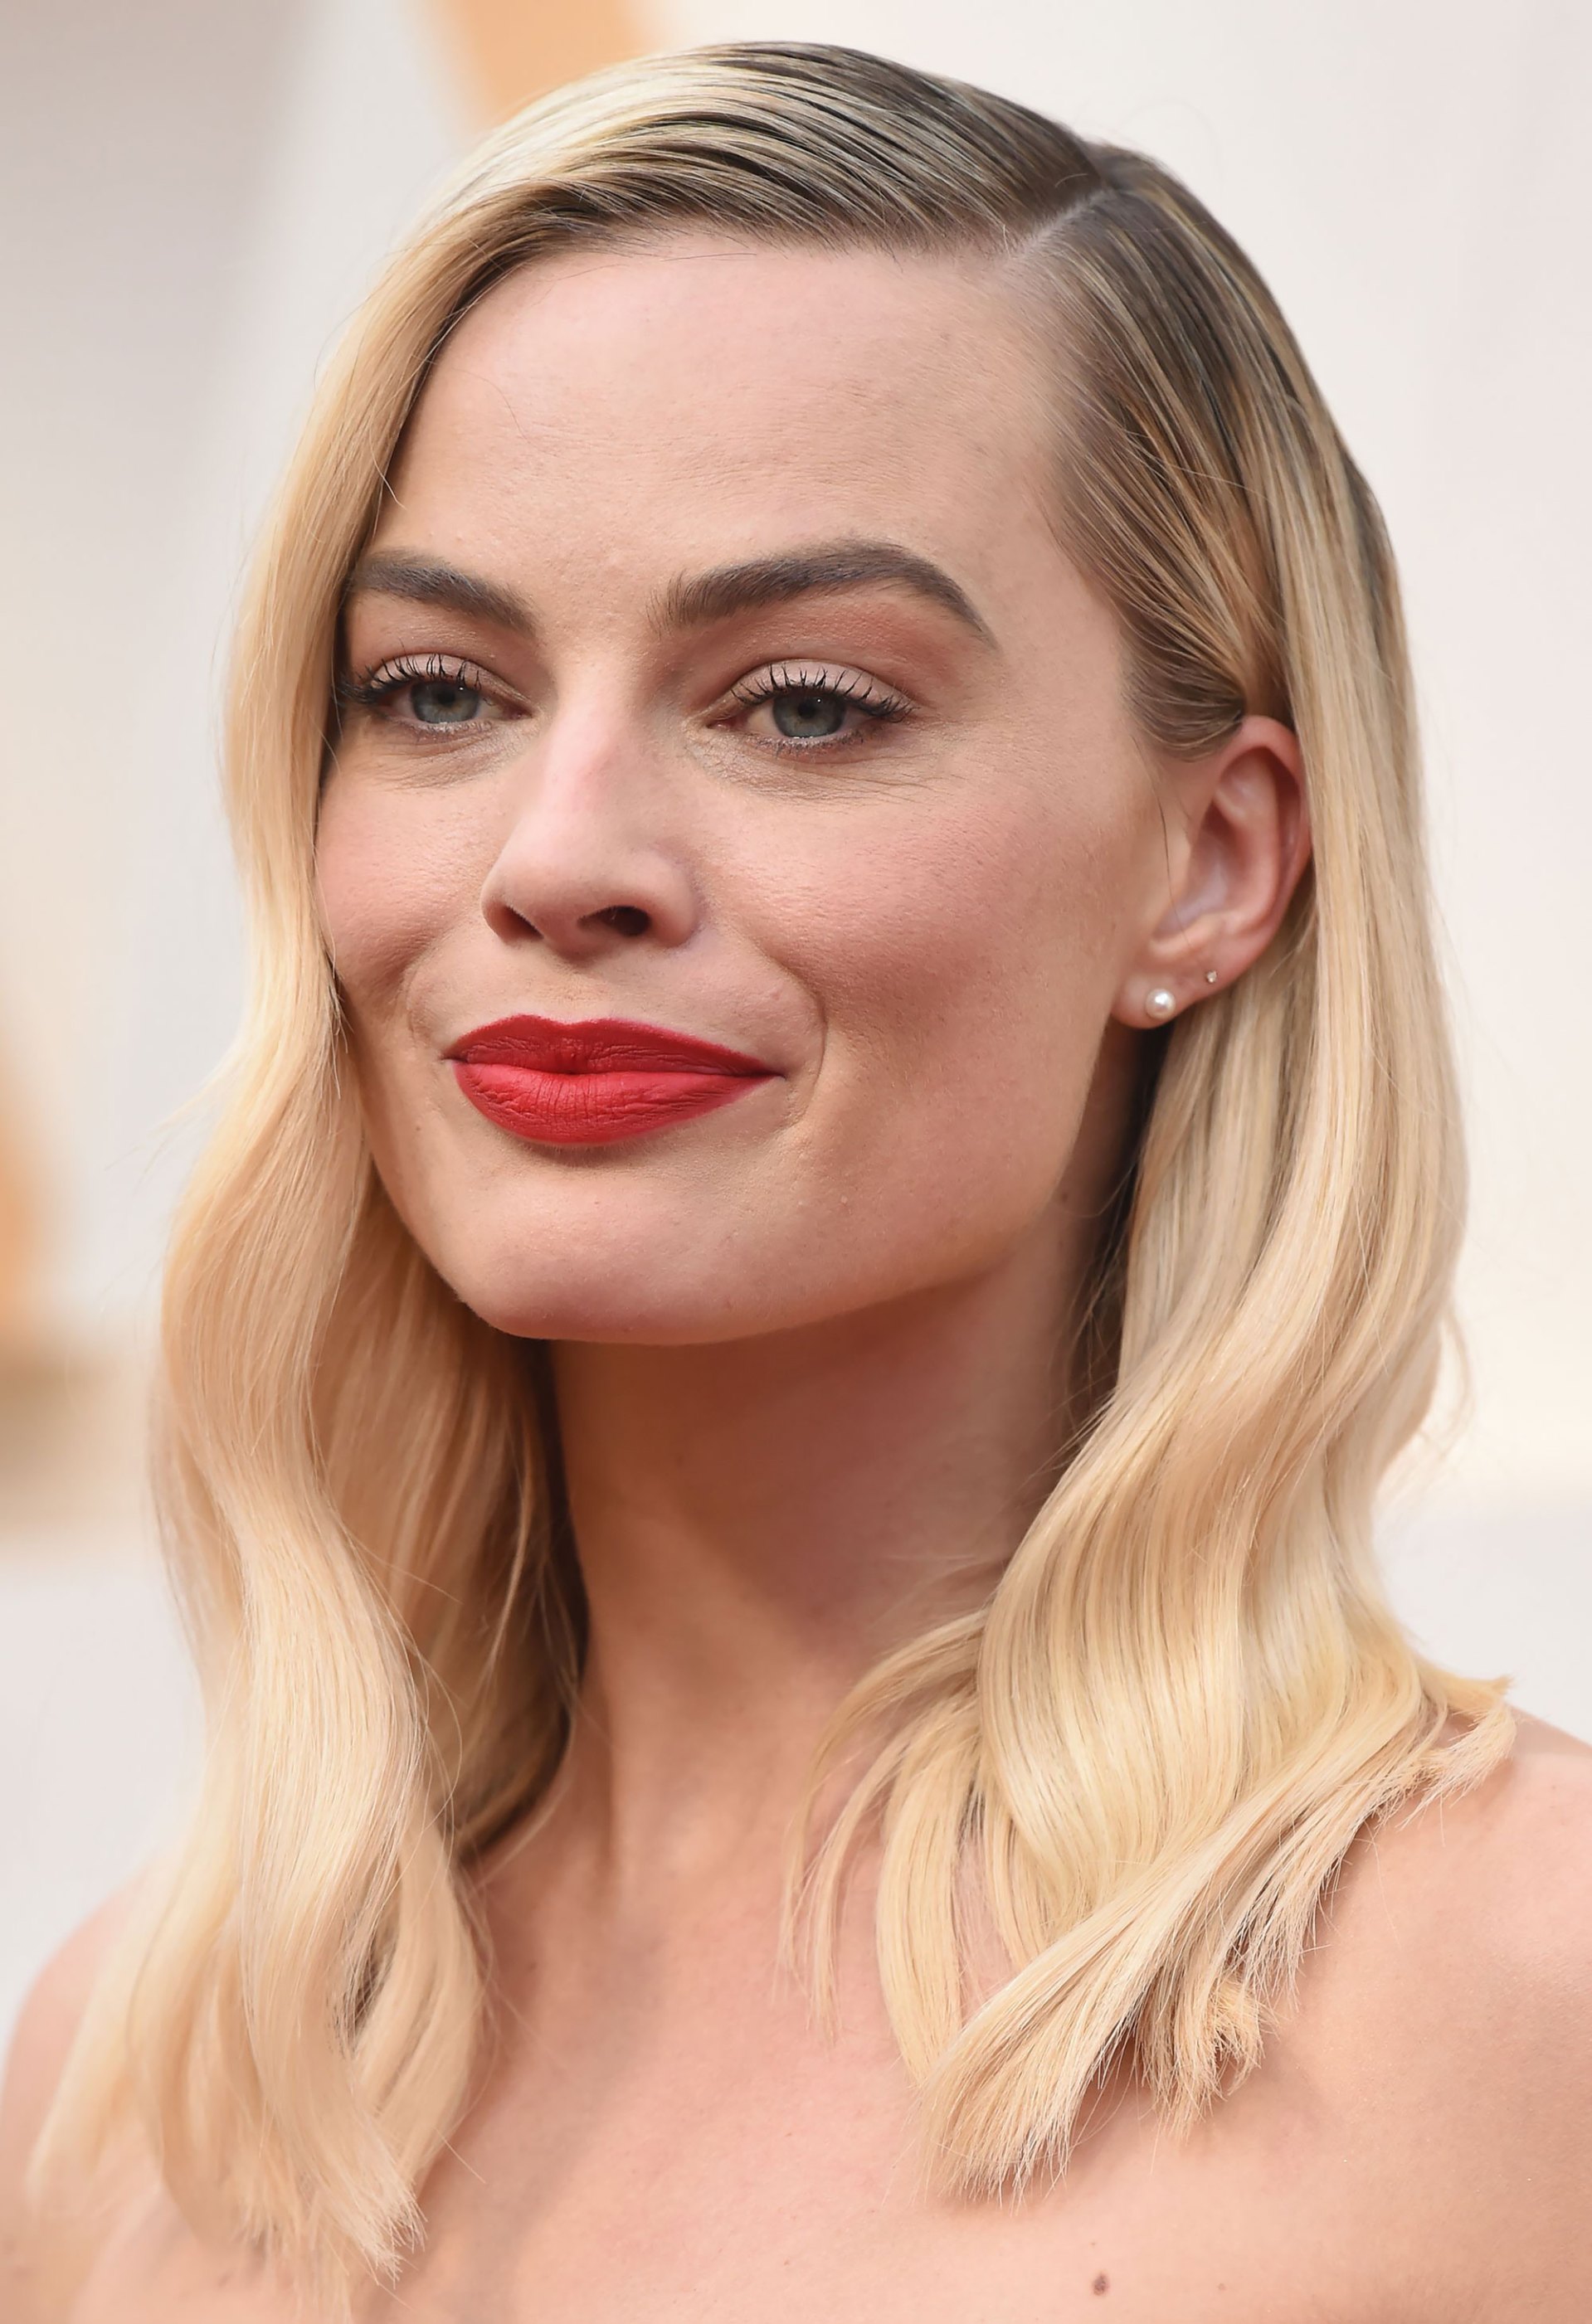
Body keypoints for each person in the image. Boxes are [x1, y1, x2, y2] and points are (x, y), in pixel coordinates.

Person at [3, 39, 1590, 2322]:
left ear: (1211, 861)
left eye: (806, 704)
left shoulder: (1529, 2006)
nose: (559, 855)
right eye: (439, 691)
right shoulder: (137, 2090)